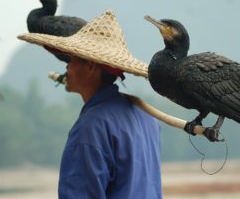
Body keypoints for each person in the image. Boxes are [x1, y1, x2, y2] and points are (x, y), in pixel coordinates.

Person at [18, 10, 162, 198]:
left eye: (72, 59)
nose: (67, 67)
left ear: (91, 67)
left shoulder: (91, 126)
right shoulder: (147, 117)